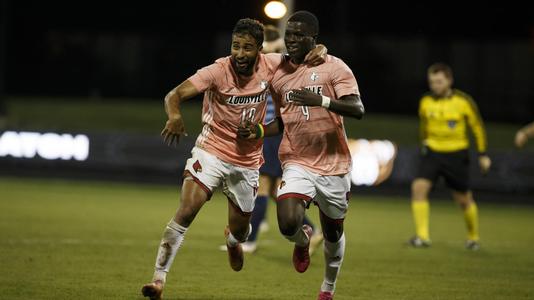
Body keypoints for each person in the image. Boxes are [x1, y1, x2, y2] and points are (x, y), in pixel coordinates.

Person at [141, 18, 326, 300]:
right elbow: (174, 94)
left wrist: (321, 49)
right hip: (211, 150)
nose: (239, 53)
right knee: (187, 209)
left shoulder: (273, 64)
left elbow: (308, 58)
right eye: (235, 46)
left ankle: (232, 240)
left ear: (259, 50)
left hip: (247, 161)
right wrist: (175, 114)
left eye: (247, 48)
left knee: (241, 231)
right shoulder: (217, 70)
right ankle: (158, 280)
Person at [238, 11, 364, 300]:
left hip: (334, 164)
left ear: (313, 39)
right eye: (289, 34)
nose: (292, 40)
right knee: (287, 222)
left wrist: (320, 100)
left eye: (298, 35)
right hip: (297, 160)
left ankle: (328, 288)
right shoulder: (279, 71)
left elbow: (357, 109)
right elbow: (286, 119)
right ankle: (301, 240)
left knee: (333, 234)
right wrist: (258, 130)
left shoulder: (335, 68)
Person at [237, 24, 324, 254]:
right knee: (275, 191)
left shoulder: (281, 67)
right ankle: (312, 230)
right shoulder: (263, 66)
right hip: (270, 133)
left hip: (275, 134)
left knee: (263, 186)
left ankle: (250, 240)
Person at [409, 63, 491, 251]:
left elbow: (477, 128)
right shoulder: (425, 102)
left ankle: (473, 237)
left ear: (449, 81)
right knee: (418, 188)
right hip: (433, 152)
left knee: (463, 199)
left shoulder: (463, 101)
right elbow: (424, 128)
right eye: (432, 82)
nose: (435, 85)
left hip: (456, 154)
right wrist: (424, 144)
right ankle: (422, 236)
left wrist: (483, 154)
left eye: (439, 81)